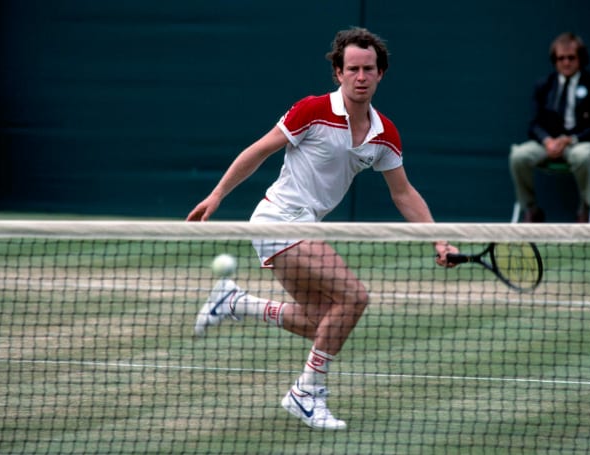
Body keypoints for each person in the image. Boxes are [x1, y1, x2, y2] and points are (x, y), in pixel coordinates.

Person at [186, 27, 459, 430]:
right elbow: (258, 150)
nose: (361, 76)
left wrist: (439, 238)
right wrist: (217, 195)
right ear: (338, 73)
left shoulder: (385, 134)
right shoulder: (312, 110)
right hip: (278, 219)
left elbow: (403, 193)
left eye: (369, 68)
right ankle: (306, 392)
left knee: (322, 321)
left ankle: (234, 303)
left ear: (381, 73)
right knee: (355, 298)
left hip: (305, 226)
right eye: (353, 69)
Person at [509, 32, 590, 222]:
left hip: (578, 143)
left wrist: (569, 140)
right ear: (555, 60)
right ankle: (531, 210)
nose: (566, 62)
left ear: (581, 59)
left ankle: (585, 211)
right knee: (518, 155)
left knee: (585, 156)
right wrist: (547, 141)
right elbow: (534, 124)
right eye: (561, 58)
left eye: (571, 57)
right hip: (548, 143)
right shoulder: (544, 85)